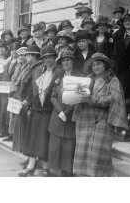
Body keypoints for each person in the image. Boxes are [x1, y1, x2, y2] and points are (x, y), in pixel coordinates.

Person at [73, 53, 128, 176]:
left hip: (102, 121)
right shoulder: (87, 79)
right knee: (83, 151)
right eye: (93, 64)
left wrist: (92, 98)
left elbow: (113, 99)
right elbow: (77, 95)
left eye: (98, 64)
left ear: (105, 65)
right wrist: (76, 94)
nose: (95, 67)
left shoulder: (112, 80)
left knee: (98, 154)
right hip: (85, 119)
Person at [18, 45, 58, 177]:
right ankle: (31, 165)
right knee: (33, 136)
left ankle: (46, 166)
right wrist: (28, 101)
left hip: (49, 109)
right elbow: (33, 90)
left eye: (50, 57)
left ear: (54, 58)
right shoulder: (41, 71)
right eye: (45, 58)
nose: (48, 60)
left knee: (44, 138)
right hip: (36, 107)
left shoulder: (59, 72)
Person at [48, 49, 78, 177]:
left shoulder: (78, 77)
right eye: (63, 60)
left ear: (73, 62)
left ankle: (67, 170)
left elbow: (79, 97)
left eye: (68, 60)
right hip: (57, 114)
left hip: (71, 115)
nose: (66, 62)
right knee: (55, 144)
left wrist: (67, 112)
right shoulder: (59, 75)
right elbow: (52, 95)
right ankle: (54, 170)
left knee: (68, 144)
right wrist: (60, 111)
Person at [17, 44, 41, 175]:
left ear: (33, 56)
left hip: (31, 104)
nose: (26, 57)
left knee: (31, 134)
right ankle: (29, 158)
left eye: (28, 54)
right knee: (27, 133)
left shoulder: (37, 68)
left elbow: (35, 89)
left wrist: (29, 101)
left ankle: (32, 162)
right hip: (25, 103)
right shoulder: (30, 67)